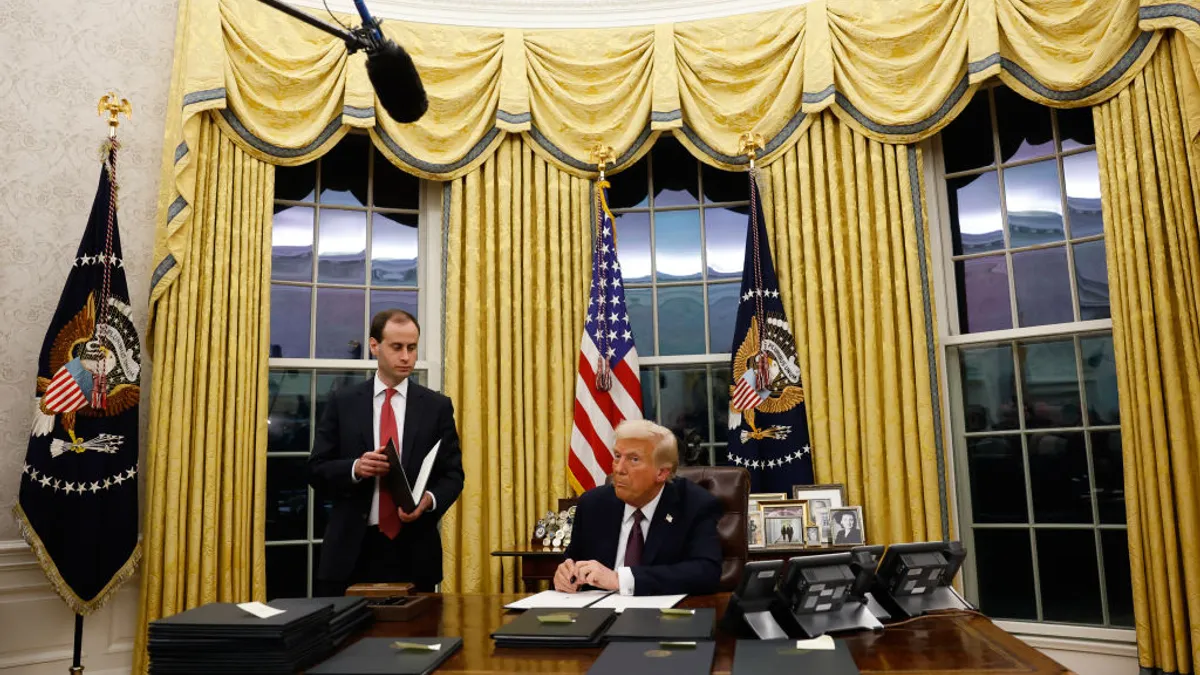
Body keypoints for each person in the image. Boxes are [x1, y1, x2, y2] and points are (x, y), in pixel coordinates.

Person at [308, 309, 464, 595]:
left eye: (412, 348)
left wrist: (428, 501)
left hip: (414, 551)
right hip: (351, 550)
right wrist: (356, 468)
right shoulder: (344, 402)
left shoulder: (436, 407)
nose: (406, 357)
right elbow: (316, 469)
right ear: (374, 346)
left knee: (418, 638)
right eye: (397, 347)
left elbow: (453, 475)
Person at [553, 420, 722, 597]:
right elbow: (573, 561)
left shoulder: (694, 504)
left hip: (662, 619)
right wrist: (566, 576)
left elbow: (706, 572)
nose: (618, 469)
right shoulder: (592, 504)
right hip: (599, 616)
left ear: (662, 473)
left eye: (634, 459)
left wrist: (621, 580)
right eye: (617, 456)